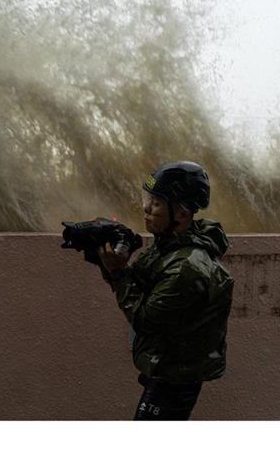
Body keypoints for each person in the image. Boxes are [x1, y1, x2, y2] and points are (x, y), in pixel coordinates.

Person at [96, 161, 234, 420]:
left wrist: (116, 273)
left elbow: (144, 319)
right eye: (148, 199)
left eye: (157, 203)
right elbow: (135, 281)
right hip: (166, 369)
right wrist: (109, 260)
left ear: (181, 214)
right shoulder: (168, 247)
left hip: (174, 379)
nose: (146, 208)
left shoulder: (186, 266)